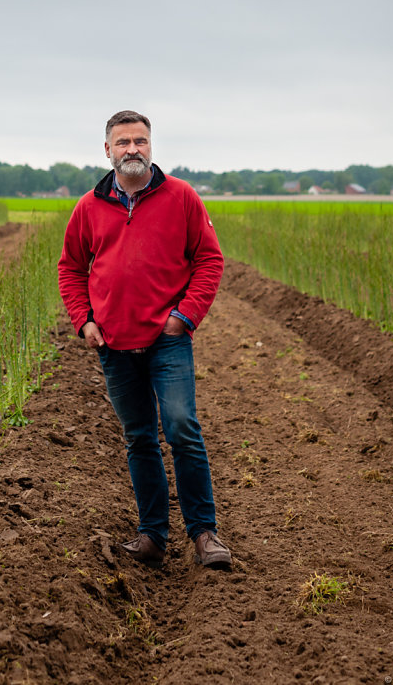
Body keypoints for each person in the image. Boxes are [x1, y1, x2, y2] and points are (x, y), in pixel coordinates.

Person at [58, 109, 231, 570]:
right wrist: (84, 320)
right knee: (139, 438)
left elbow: (209, 261)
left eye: (140, 140)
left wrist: (184, 317)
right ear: (108, 150)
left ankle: (204, 534)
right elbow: (71, 268)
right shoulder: (89, 207)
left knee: (181, 429)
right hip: (114, 343)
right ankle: (153, 535)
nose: (132, 148)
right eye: (123, 142)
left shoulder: (181, 197)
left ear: (150, 146)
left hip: (167, 339)